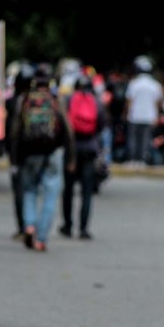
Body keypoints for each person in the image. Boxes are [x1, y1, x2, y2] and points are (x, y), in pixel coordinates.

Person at [10, 68, 75, 251]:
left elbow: (15, 131)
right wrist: (71, 157)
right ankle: (42, 238)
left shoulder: (24, 100)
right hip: (53, 153)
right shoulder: (55, 100)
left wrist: (14, 160)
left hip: (29, 154)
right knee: (50, 196)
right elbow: (68, 129)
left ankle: (29, 226)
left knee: (29, 191)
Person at [59, 75, 106, 240]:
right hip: (89, 150)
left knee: (68, 190)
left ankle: (67, 225)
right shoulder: (96, 102)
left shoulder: (68, 100)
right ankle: (84, 228)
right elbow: (101, 125)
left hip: (71, 150)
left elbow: (62, 124)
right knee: (87, 192)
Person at [5, 61, 36, 240]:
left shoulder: (11, 103)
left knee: (20, 191)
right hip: (37, 153)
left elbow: (11, 132)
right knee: (32, 190)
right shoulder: (36, 101)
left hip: (18, 154)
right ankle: (32, 225)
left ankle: (23, 227)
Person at [124, 55, 163, 167]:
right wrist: (157, 115)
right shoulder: (155, 84)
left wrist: (126, 113)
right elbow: (158, 102)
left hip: (134, 116)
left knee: (133, 139)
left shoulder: (134, 83)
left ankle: (132, 160)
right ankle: (142, 161)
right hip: (149, 116)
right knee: (145, 140)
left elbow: (129, 100)